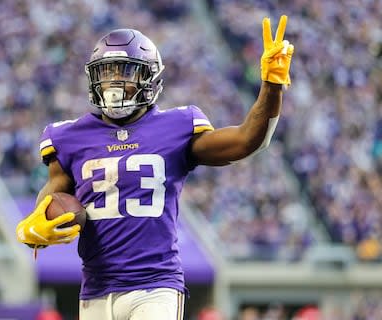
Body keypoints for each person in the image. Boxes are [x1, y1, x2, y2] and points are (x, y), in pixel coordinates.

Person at [16, 15, 294, 320]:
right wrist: (30, 228)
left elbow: (247, 140)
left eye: (126, 72)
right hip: (95, 288)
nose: (114, 83)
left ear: (150, 78)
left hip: (155, 286)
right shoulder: (68, 137)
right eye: (106, 73)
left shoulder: (176, 125)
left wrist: (271, 86)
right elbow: (48, 202)